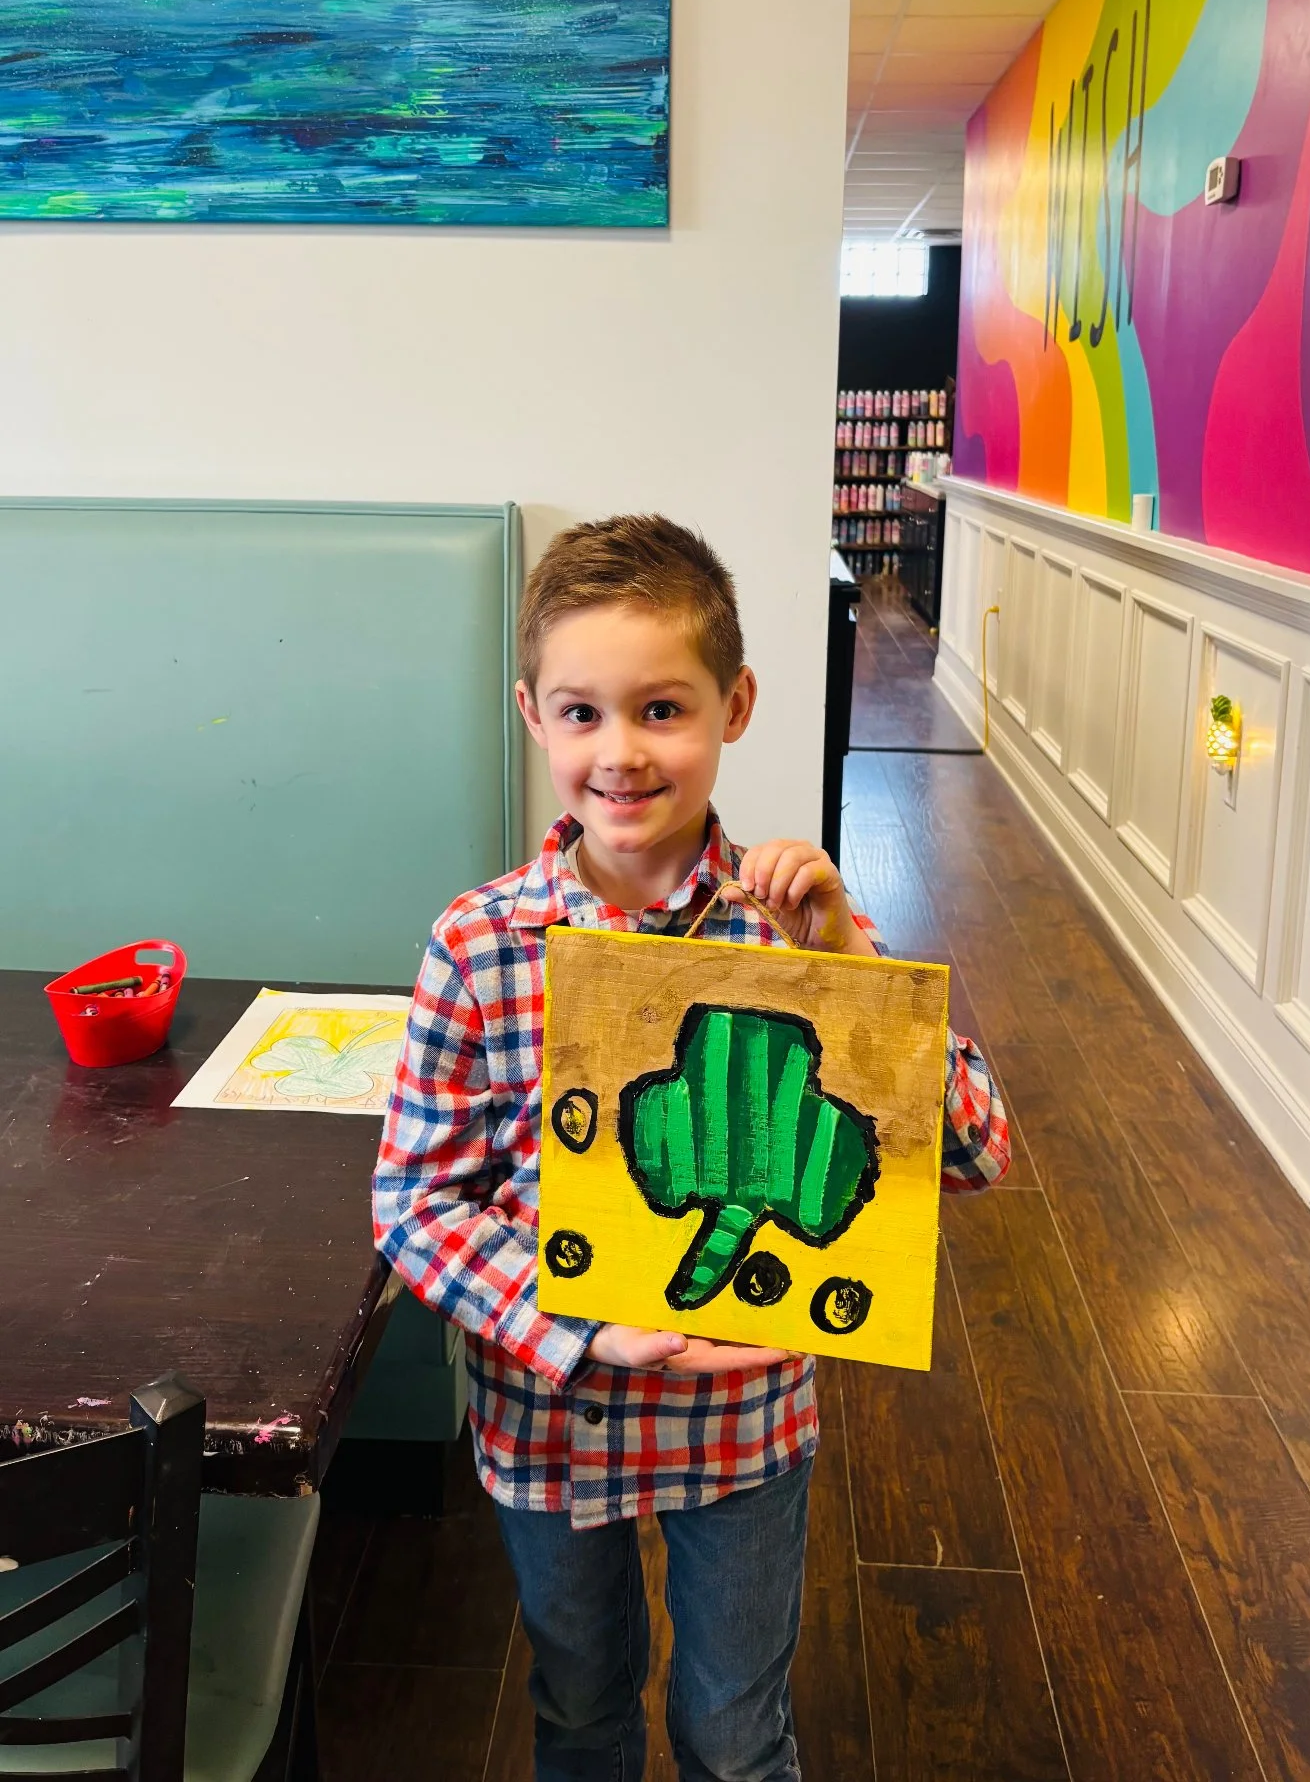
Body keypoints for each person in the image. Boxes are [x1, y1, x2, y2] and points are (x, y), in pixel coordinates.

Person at [373, 514, 1009, 1782]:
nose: (620, 753)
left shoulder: (801, 932)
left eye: (662, 709)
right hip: (553, 1411)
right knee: (580, 1717)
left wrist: (853, 965)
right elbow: (416, 1203)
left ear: (736, 706)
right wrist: (578, 1326)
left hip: (743, 1420)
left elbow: (976, 1151)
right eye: (581, 713)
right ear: (533, 716)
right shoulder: (481, 944)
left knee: (734, 1731)